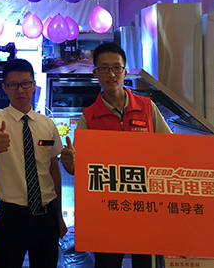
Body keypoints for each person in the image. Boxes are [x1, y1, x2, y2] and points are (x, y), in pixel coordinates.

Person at [60, 42, 171, 268]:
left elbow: (172, 149)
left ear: (125, 71)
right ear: (95, 73)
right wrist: (69, 162)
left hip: (146, 207)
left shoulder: (147, 108)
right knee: (107, 263)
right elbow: (78, 166)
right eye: (104, 68)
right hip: (107, 210)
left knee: (146, 264)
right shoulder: (89, 117)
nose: (111, 74)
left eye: (116, 68)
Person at [0, 58, 67, 268]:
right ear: (5, 88)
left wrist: (59, 215)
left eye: (25, 83)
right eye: (13, 85)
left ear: (34, 85)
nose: (20, 90)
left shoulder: (47, 124)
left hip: (46, 214)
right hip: (12, 215)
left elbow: (54, 170)